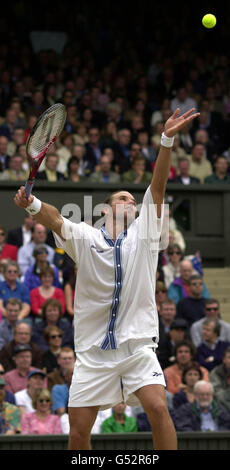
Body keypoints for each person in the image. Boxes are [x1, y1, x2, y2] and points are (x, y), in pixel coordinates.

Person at [14, 107, 200, 450]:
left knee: (159, 408)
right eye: (123, 198)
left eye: (133, 199)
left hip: (137, 348)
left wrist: (166, 140)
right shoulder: (86, 238)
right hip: (93, 354)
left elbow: (156, 190)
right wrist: (32, 205)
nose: (132, 201)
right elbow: (56, 220)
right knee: (79, 434)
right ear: (104, 210)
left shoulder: (145, 235)